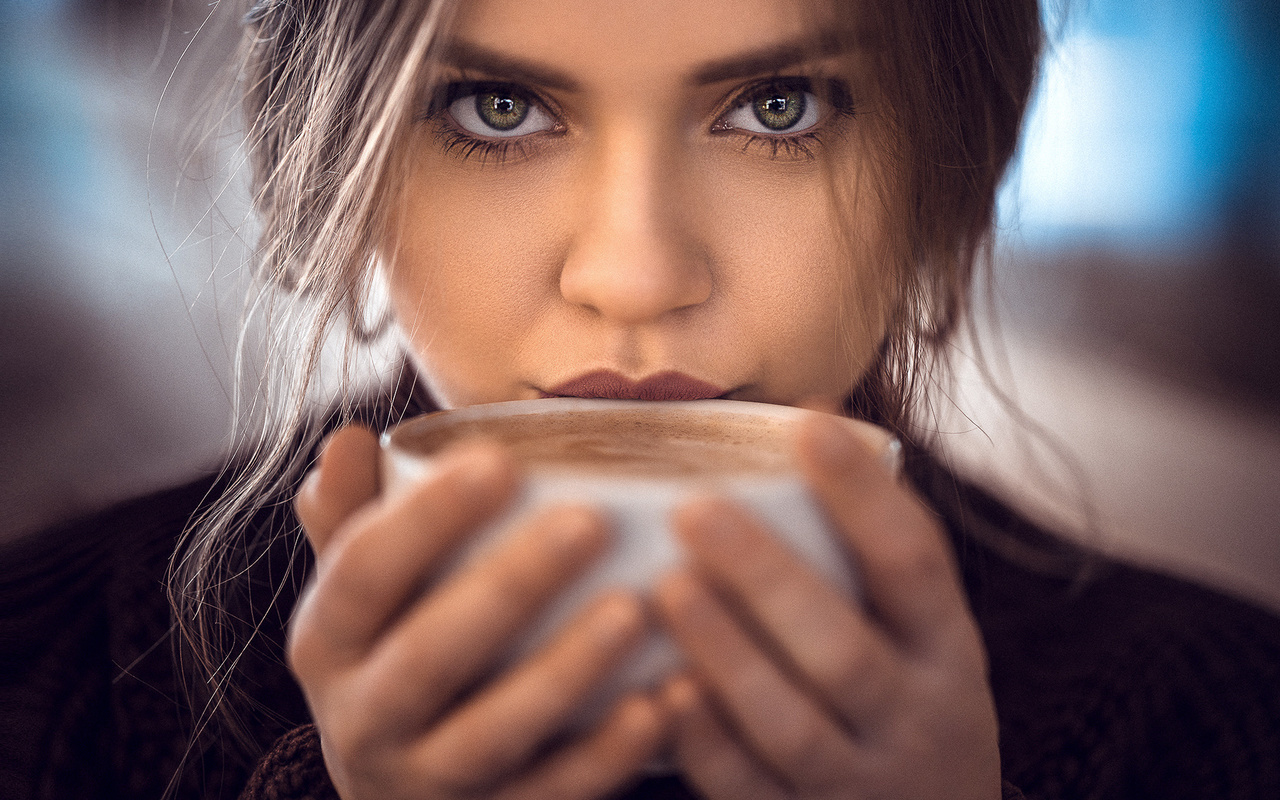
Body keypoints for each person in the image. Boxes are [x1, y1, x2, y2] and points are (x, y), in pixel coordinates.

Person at [2, 0, 1278, 798]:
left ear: (950, 173)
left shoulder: (1221, 714)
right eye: (497, 109)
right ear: (331, 161)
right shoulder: (38, 675)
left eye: (777, 108)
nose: (634, 278)